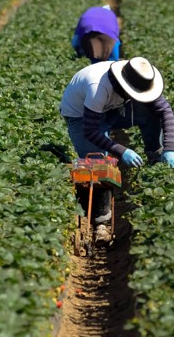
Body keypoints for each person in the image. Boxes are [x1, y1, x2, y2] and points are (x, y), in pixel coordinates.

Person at [60, 57, 174, 242]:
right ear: (124, 86)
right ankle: (100, 222)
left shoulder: (139, 77)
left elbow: (165, 112)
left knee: (150, 113)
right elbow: (90, 130)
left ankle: (156, 161)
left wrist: (169, 148)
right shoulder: (98, 87)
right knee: (98, 164)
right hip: (81, 116)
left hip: (115, 108)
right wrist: (121, 150)